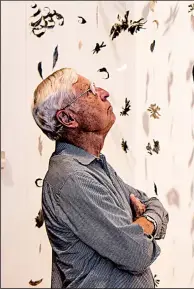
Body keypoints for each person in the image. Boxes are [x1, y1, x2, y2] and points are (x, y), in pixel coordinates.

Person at [31, 68, 169, 288]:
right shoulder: (73, 178)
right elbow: (137, 253)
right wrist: (145, 226)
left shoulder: (94, 166)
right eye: (90, 91)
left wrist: (143, 223)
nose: (104, 93)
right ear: (67, 118)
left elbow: (155, 204)